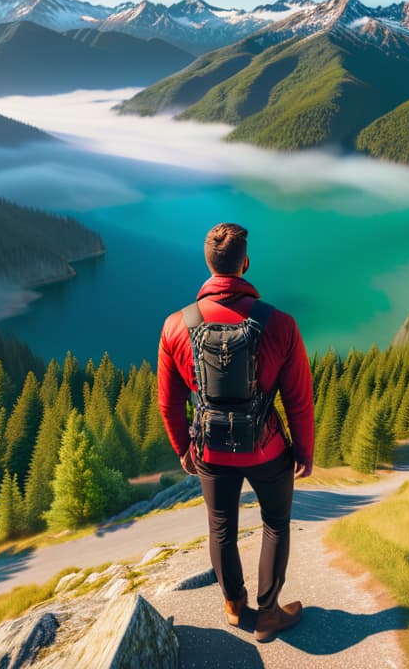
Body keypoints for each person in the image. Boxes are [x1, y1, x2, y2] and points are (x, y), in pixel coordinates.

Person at [158, 222, 315, 643]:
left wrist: (183, 448)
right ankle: (268, 616)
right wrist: (304, 450)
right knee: (275, 525)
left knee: (221, 527)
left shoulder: (177, 325)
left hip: (210, 450)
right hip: (267, 451)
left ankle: (233, 605)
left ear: (210, 266)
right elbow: (298, 399)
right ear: (244, 264)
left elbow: (169, 403)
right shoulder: (279, 324)